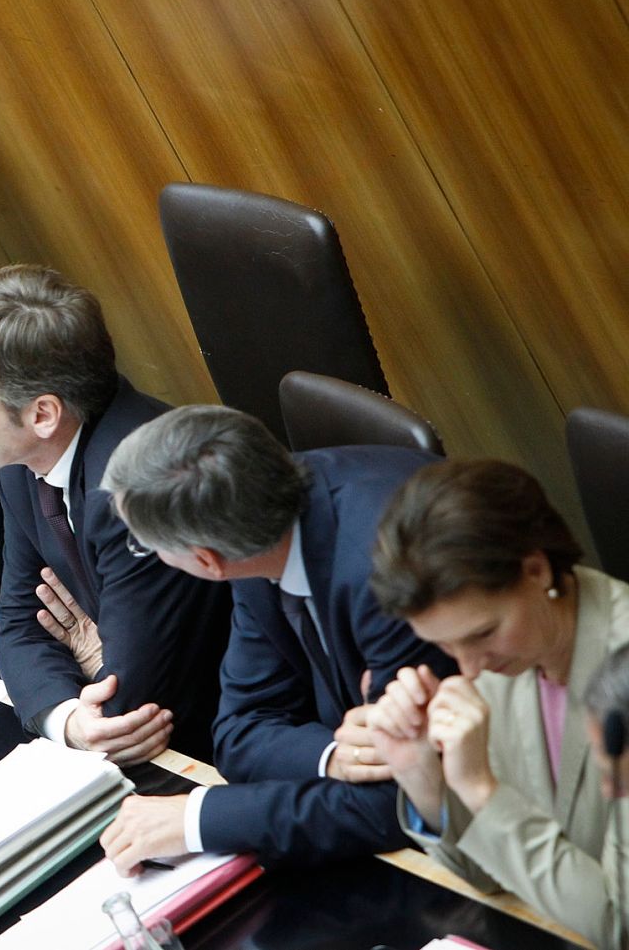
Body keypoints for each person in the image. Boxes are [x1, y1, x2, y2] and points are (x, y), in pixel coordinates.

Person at [95, 405, 452, 871]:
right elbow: (239, 730)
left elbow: (401, 803)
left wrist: (198, 820)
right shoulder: (256, 527)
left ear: (207, 562)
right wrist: (331, 757)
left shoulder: (391, 574)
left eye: (145, 545)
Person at [0, 265, 228, 762]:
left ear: (43, 414)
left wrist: (92, 658)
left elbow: (130, 710)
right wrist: (67, 719)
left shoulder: (138, 490)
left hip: (214, 751)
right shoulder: (21, 458)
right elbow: (20, 623)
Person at [367, 458, 629, 949]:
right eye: (446, 648)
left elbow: (620, 926)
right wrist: (425, 780)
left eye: (482, 633)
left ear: (536, 569)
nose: (468, 669)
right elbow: (493, 878)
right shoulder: (512, 654)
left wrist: (481, 790)